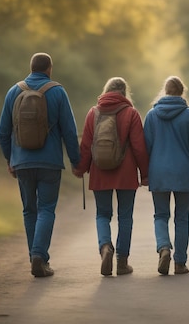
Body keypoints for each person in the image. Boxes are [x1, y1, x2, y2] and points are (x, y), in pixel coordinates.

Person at [0, 52, 80, 278]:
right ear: (49, 69)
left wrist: (10, 160)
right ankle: (39, 257)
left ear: (31, 67)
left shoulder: (14, 92)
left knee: (29, 210)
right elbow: (70, 132)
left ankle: (35, 255)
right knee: (46, 209)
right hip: (49, 162)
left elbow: (2, 133)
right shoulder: (57, 91)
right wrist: (76, 162)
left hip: (22, 162)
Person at [72, 77, 149, 276]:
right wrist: (145, 174)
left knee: (102, 214)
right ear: (124, 93)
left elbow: (87, 145)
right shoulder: (131, 113)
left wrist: (80, 168)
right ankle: (122, 262)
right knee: (125, 216)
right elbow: (140, 147)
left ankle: (105, 246)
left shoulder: (93, 113)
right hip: (126, 173)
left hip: (100, 172)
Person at [144, 75, 189, 275]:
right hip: (184, 173)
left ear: (165, 91)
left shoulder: (152, 115)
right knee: (182, 218)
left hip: (159, 173)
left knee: (160, 215)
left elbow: (144, 148)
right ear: (182, 92)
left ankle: (164, 247)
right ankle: (180, 263)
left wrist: (144, 173)